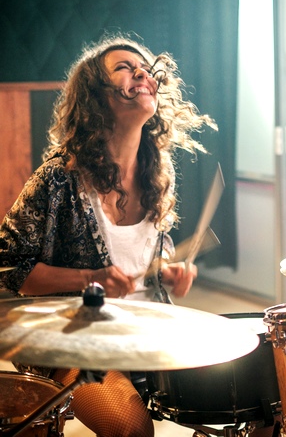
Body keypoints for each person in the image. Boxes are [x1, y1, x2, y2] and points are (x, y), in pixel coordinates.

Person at [0, 32, 217, 436]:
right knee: (130, 428)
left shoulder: (157, 177)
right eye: (124, 68)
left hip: (146, 329)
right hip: (76, 338)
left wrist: (167, 272)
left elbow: (149, 256)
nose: (142, 73)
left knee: (257, 398)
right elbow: (9, 265)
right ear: (95, 97)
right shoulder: (59, 178)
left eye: (146, 69)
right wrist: (89, 278)